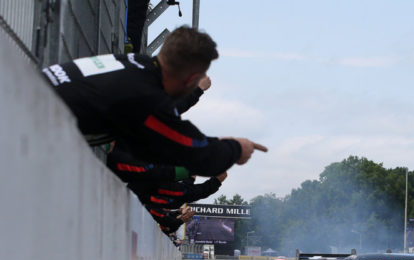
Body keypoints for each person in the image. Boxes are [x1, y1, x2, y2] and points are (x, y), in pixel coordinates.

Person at [41, 26, 266, 176]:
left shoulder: (133, 63)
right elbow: (192, 152)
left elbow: (162, 131)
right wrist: (236, 149)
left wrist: (212, 142)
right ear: (191, 79)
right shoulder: (144, 96)